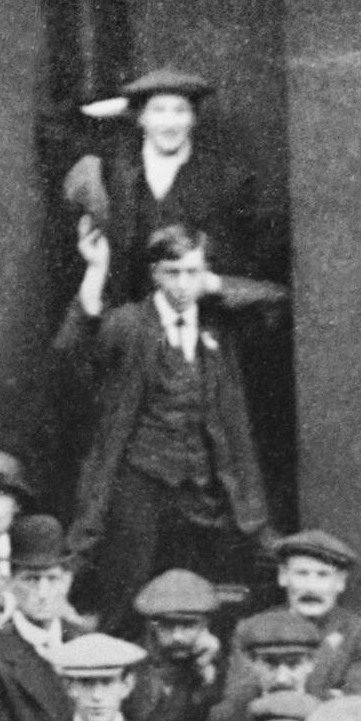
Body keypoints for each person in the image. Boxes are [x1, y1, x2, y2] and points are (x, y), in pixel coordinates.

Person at [59, 219, 273, 610]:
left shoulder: (218, 326)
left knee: (202, 600)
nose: (182, 285)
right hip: (141, 481)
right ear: (155, 274)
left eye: (192, 272)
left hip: (203, 486)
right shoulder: (130, 324)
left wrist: (216, 285)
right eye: (172, 273)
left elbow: (278, 299)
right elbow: (76, 349)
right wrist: (95, 270)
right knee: (127, 593)